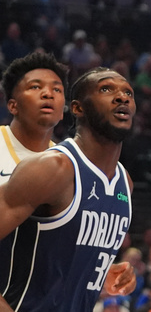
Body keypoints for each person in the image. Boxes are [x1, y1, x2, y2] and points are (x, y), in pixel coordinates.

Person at [0, 67, 136, 311]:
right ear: (77, 108)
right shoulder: (53, 168)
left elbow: (59, 261)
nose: (122, 97)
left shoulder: (124, 182)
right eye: (106, 89)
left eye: (128, 93)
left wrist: (102, 273)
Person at [0, 52, 67, 183]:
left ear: (62, 112)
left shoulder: (67, 163)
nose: (48, 94)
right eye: (35, 87)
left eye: (57, 89)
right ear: (13, 106)